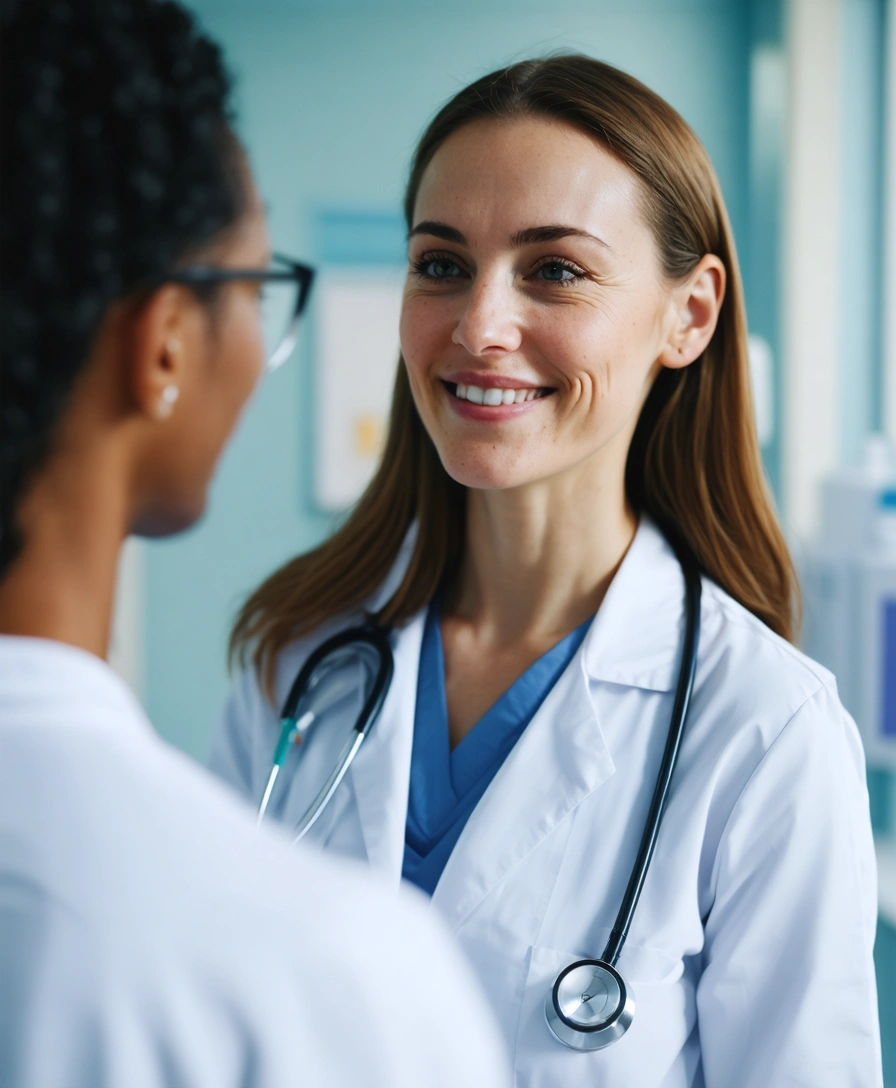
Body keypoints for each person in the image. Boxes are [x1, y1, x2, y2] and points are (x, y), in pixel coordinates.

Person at [210, 55, 884, 1086]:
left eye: (553, 270)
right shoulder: (300, 660)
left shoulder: (764, 733)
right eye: (440, 264)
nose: (479, 325)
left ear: (687, 314)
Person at [0, 3, 509, 1086]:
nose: (479, 328)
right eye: (251, 284)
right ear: (166, 343)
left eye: (554, 270)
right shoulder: (330, 980)